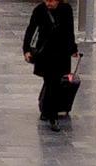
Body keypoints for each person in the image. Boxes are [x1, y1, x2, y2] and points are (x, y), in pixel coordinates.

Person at [23, 0, 79, 131]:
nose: (48, 3)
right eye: (46, 0)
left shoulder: (66, 9)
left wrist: (73, 49)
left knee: (54, 82)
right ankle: (52, 116)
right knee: (51, 81)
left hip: (62, 53)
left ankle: (46, 110)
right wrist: (26, 49)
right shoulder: (39, 10)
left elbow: (69, 30)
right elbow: (31, 29)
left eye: (51, 0)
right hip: (45, 53)